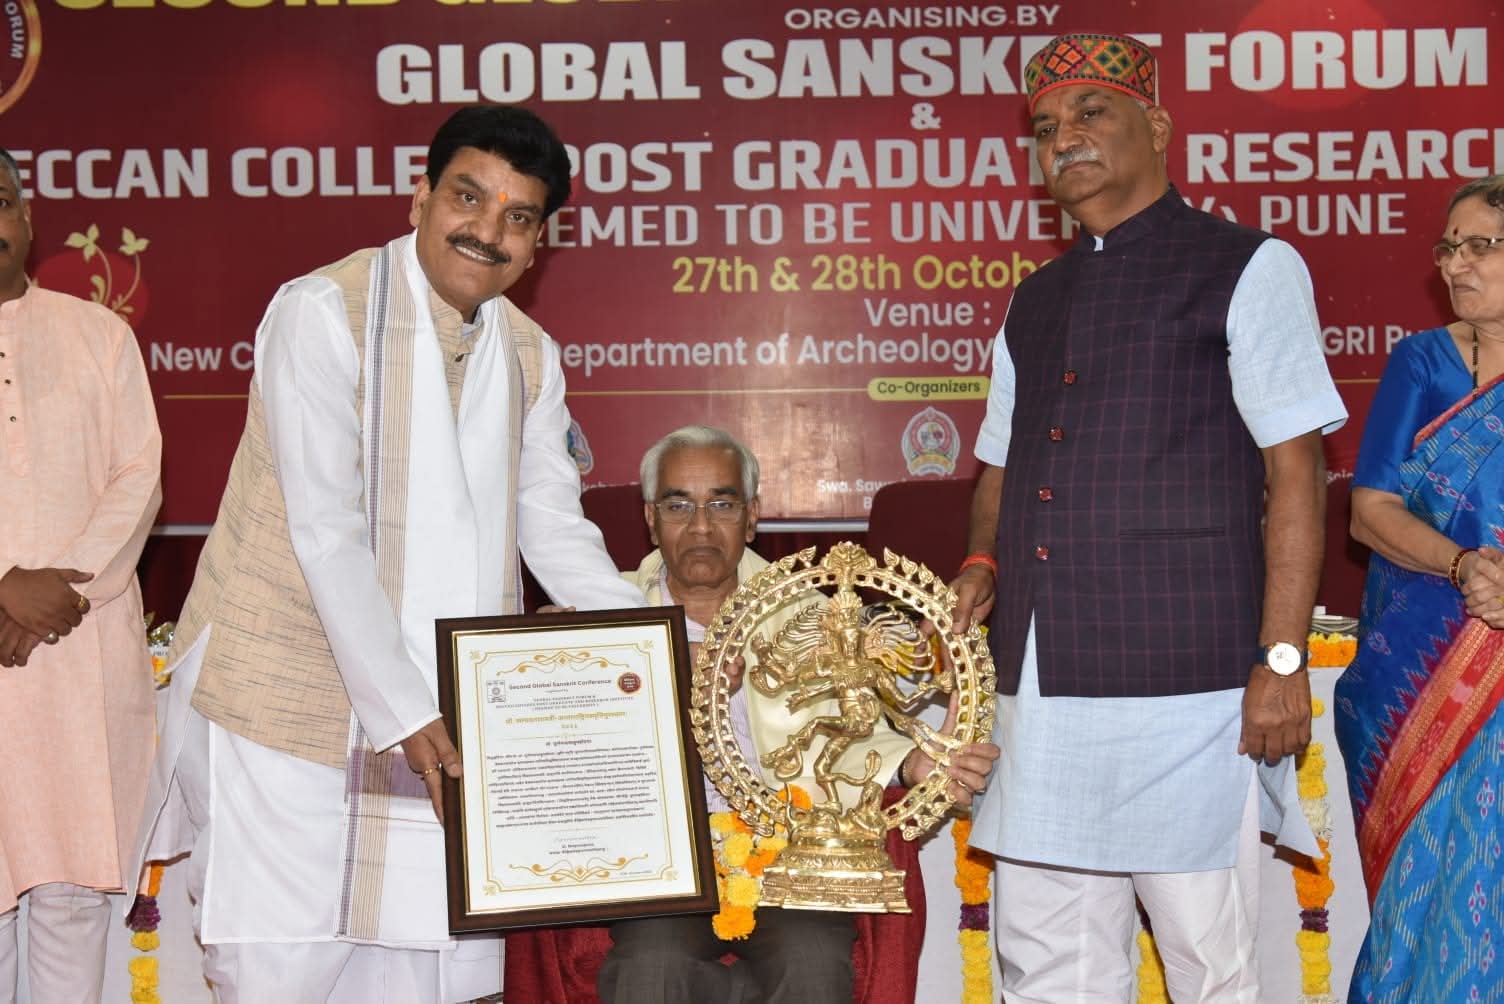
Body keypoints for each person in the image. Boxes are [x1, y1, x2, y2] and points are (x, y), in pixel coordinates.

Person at [131, 106, 646, 1003]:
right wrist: (406, 709)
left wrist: (654, 643)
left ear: (538, 244)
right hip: (285, 708)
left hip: (436, 725)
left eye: (517, 216)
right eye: (468, 198)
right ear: (420, 198)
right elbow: (324, 530)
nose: (486, 231)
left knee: (411, 978)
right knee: (278, 972)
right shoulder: (322, 312)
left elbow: (552, 526)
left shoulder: (530, 354)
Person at [948, 33, 1348, 1003]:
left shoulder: (1248, 265)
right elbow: (1000, 466)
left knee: (1209, 959)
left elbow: (1297, 474)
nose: (1064, 138)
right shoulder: (1034, 298)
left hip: (1187, 682)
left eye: (1092, 113)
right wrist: (981, 560)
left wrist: (1281, 660)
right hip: (1042, 682)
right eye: (1045, 126)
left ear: (1158, 127)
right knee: (1046, 961)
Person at [597, 425, 998, 1004]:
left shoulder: (811, 613)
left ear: (752, 517)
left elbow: (851, 733)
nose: (701, 526)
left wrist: (918, 766)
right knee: (651, 965)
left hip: (791, 856)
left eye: (722, 504)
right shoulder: (603, 615)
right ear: (650, 518)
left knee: (811, 959)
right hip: (661, 869)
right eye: (678, 505)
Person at [1333, 175, 1504, 1002]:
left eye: (1480, 246)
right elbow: (1370, 513)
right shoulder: (1424, 363)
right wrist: (1467, 566)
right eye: (1448, 247)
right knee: (1426, 904)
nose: (1455, 265)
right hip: (1422, 675)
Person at [0, 148, 162, 1002]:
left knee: (70, 896)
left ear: (26, 218)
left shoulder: (99, 334)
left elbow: (139, 475)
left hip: (78, 651)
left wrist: (65, 588)